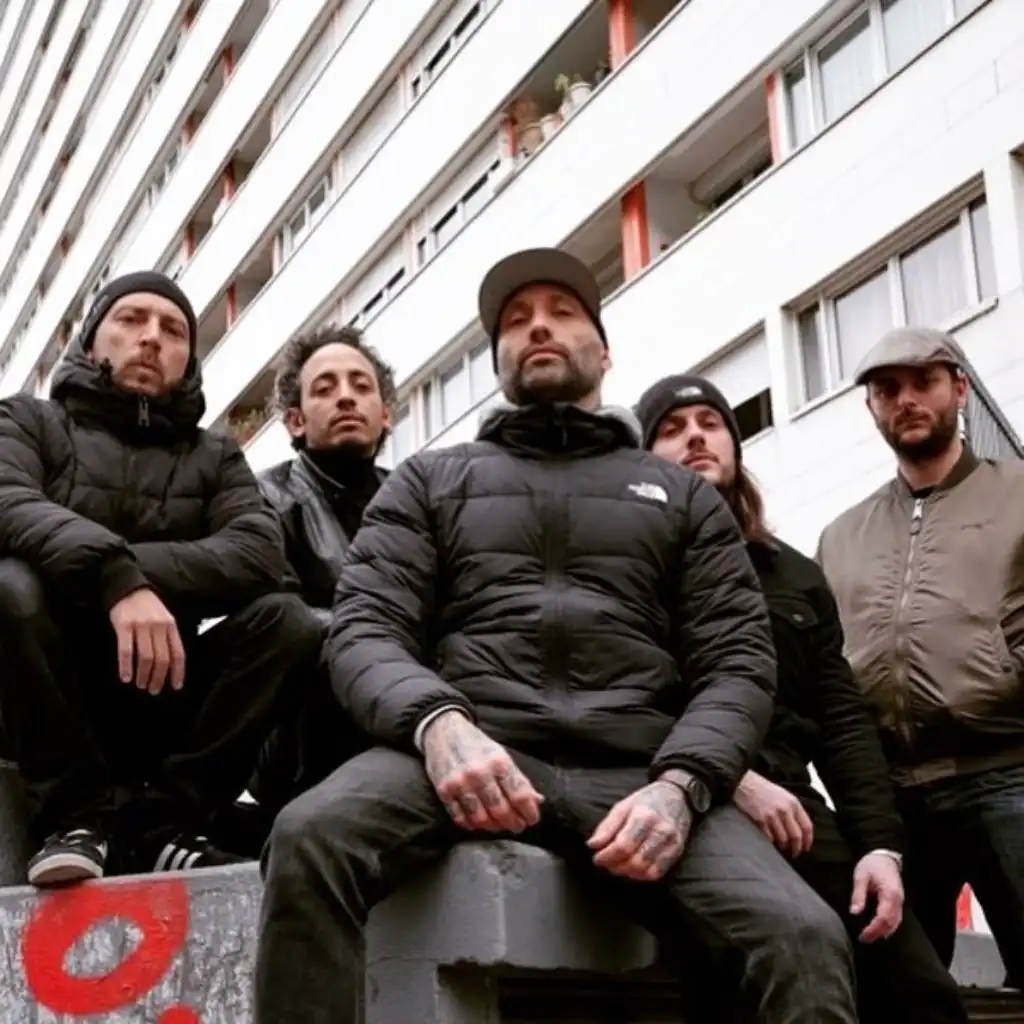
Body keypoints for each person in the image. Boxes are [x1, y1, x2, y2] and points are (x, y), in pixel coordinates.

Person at [255, 247, 859, 1024]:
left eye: (562, 312)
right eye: (515, 320)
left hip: (641, 769)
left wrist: (682, 786)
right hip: (474, 748)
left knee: (804, 935)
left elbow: (738, 664)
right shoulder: (430, 480)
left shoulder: (682, 496)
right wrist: (439, 727)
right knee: (309, 836)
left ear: (603, 353)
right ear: (498, 361)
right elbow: (365, 630)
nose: (537, 326)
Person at [636, 373, 968, 1023]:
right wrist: (728, 778)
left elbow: (842, 720)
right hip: (683, 801)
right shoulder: (628, 567)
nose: (695, 437)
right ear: (644, 458)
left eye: (709, 423)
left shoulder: (792, 573)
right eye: (671, 430)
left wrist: (879, 846)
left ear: (734, 446)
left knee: (922, 994)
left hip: (797, 809)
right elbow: (620, 698)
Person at [0, 271, 322, 887]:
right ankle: (74, 821)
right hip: (43, 690)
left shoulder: (214, 455)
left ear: (188, 361)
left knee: (288, 622)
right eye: (131, 320)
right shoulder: (28, 420)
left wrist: (133, 579)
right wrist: (112, 577)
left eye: (173, 331)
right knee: (10, 582)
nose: (151, 338)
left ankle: (164, 827)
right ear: (91, 341)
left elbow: (258, 553)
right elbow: (8, 502)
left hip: (162, 685)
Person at [817, 326, 1024, 987]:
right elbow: (823, 664)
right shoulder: (841, 536)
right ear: (870, 407)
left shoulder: (1018, 494)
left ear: (959, 388)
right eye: (886, 389)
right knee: (898, 994)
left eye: (923, 382)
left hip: (1008, 773)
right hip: (892, 802)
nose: (905, 400)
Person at [251, 325, 393, 813]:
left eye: (361, 385)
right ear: (295, 421)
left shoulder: (419, 496)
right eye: (325, 388)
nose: (346, 397)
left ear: (386, 413)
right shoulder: (266, 498)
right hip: (302, 737)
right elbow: (279, 620)